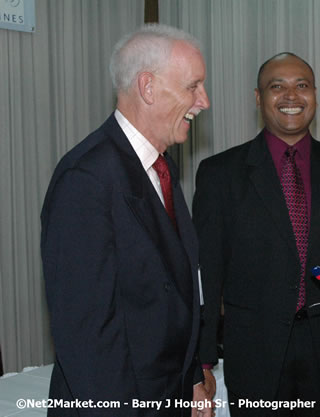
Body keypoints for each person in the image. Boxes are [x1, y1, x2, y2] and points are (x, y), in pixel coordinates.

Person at [193, 52, 320, 416]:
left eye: (301, 85)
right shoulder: (219, 174)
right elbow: (207, 274)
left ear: (315, 94)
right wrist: (203, 362)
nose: (291, 96)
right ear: (258, 98)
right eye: (277, 86)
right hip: (255, 364)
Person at [41, 24, 211, 417]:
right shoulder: (85, 180)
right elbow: (88, 339)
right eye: (192, 86)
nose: (203, 101)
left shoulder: (161, 167)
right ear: (147, 87)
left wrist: (188, 385)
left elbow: (172, 298)